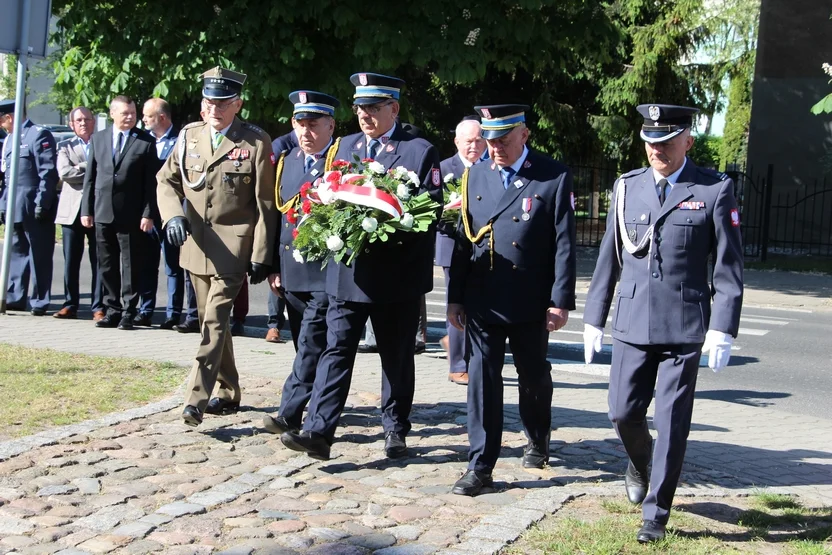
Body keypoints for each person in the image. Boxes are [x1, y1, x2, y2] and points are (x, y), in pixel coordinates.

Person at [583, 104, 743, 543]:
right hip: (632, 321)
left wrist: (723, 328)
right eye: (651, 143)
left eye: (667, 142)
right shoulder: (627, 188)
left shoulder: (713, 189)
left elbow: (728, 266)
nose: (657, 150)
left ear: (688, 141)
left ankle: (656, 513)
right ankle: (639, 459)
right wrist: (594, 318)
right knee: (622, 412)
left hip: (685, 325)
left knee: (672, 423)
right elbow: (609, 259)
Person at [280, 73, 442, 460]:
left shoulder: (418, 150)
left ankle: (395, 427)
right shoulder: (344, 146)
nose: (365, 115)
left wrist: (387, 231)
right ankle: (319, 430)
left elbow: (429, 212)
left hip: (395, 276)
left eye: (374, 107)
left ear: (394, 109)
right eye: (360, 108)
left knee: (395, 355)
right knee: (336, 350)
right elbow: (324, 197)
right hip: (346, 274)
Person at [447, 104, 576, 496]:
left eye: (503, 139)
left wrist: (560, 300)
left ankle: (538, 435)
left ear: (524, 134)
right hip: (484, 296)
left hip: (529, 298)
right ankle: (481, 464)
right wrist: (455, 298)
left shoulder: (552, 176)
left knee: (533, 375)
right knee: (482, 381)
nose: (496, 148)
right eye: (490, 140)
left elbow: (564, 244)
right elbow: (462, 240)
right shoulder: (475, 175)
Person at [157, 66, 277, 427]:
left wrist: (261, 254)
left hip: (234, 248)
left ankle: (195, 399)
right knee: (216, 324)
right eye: (209, 102)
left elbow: (265, 205)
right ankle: (229, 391)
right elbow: (167, 180)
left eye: (223, 103)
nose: (215, 109)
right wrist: (171, 216)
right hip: (195, 246)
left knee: (212, 321)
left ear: (237, 104)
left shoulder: (255, 142)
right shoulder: (189, 136)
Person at [262, 90, 341, 436]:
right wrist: (272, 266)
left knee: (311, 340)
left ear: (330, 126)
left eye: (313, 124)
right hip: (292, 271)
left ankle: (289, 412)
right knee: (304, 343)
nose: (306, 132)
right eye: (299, 124)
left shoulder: (341, 161)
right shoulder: (288, 160)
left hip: (326, 271)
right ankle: (315, 403)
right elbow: (277, 217)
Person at [81, 95, 158, 330]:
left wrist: (148, 213)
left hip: (131, 214)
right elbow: (90, 178)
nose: (130, 117)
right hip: (103, 211)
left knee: (130, 264)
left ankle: (128, 311)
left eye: (133, 113)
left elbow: (150, 184)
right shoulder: (99, 139)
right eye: (125, 113)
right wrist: (86, 209)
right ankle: (112, 308)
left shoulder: (144, 141)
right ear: (113, 113)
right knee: (106, 264)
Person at [438, 116, 487, 386]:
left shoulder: (491, 168)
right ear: (457, 142)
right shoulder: (444, 168)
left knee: (476, 303)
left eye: (479, 140)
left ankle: (469, 352)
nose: (474, 145)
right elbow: (430, 210)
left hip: (481, 249)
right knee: (455, 304)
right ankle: (458, 364)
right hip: (451, 246)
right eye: (469, 141)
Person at [0, 99, 58, 315]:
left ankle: (40, 300)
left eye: (1, 120)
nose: (0, 124)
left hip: (33, 204)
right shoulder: (9, 139)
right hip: (13, 204)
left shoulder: (38, 134)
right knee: (16, 252)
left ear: (10, 117)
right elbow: (6, 175)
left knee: (39, 254)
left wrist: (43, 202)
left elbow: (47, 173)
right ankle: (16, 296)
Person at [54, 106, 105, 320]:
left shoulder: (102, 143)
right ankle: (70, 304)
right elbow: (65, 173)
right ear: (71, 124)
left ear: (94, 122)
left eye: (87, 119)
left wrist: (82, 168)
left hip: (96, 209)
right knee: (71, 262)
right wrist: (90, 165)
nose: (83, 123)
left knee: (99, 260)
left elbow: (106, 170)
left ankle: (98, 306)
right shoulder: (64, 145)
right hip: (71, 212)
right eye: (79, 120)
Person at [135, 98, 178, 328]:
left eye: (147, 116)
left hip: (170, 214)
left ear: (161, 117)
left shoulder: (180, 141)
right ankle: (146, 310)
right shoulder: (143, 140)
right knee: (147, 264)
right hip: (147, 215)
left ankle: (173, 314)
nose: (143, 119)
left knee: (173, 266)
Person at [264, 128, 299, 344]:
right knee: (278, 276)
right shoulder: (282, 144)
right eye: (302, 121)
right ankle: (274, 324)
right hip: (283, 212)